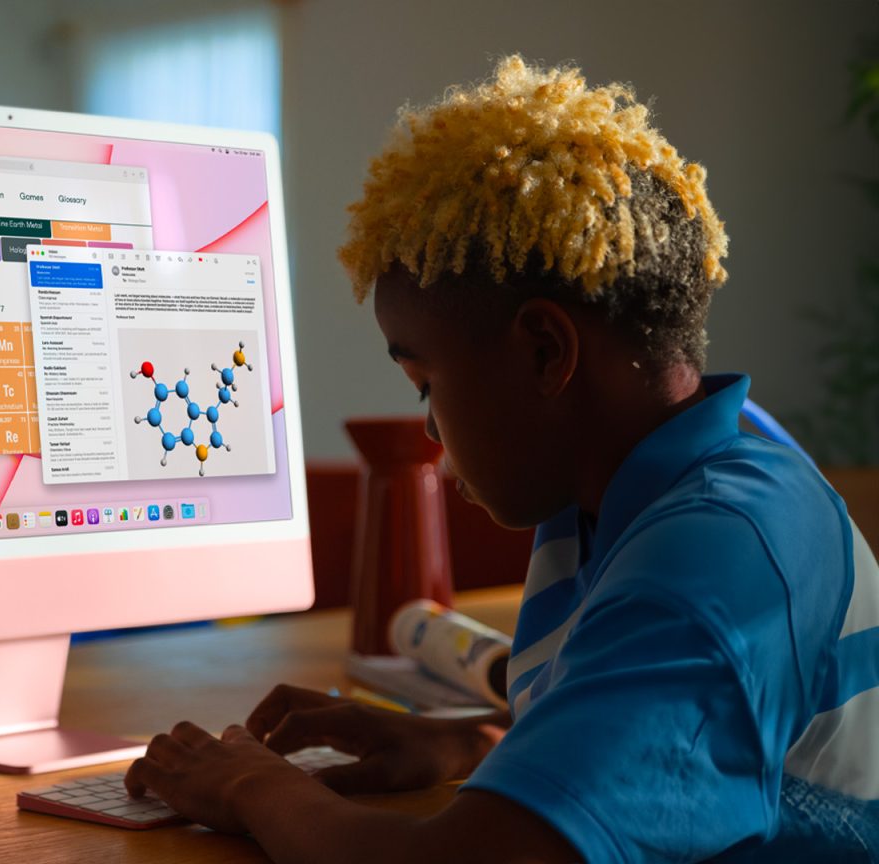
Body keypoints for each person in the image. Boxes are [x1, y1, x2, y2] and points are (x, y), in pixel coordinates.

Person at [125, 55, 879, 863]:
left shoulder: (715, 558)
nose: (432, 432)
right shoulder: (641, 486)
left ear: (546, 352)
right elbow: (684, 744)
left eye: (424, 384)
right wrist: (480, 743)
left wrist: (252, 785)